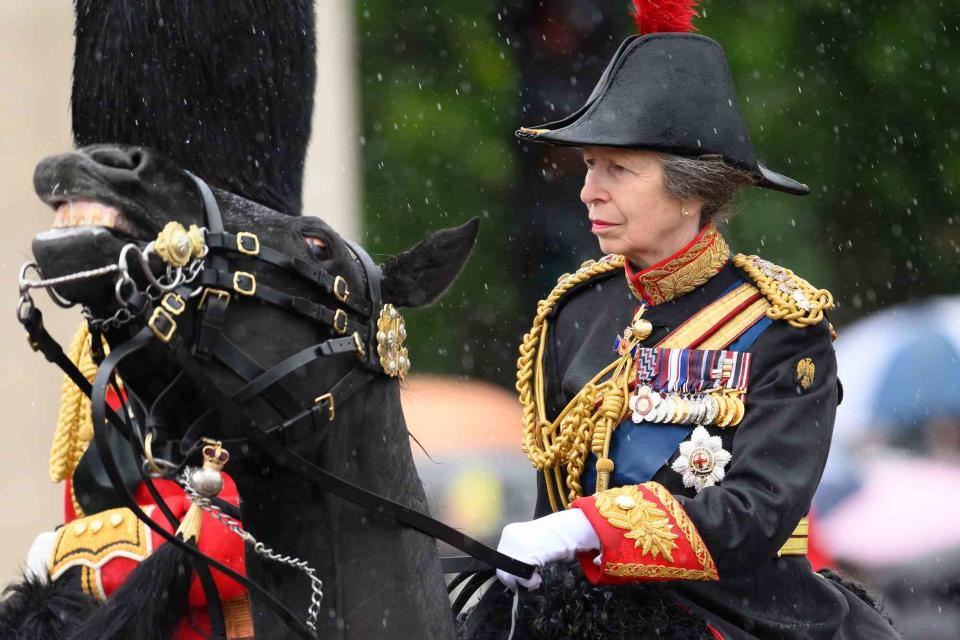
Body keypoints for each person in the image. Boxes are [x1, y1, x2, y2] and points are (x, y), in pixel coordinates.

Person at [494, 3, 901, 638]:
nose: (588, 191)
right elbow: (554, 495)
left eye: (618, 169)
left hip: (741, 617)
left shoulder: (781, 325)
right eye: (589, 167)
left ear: (691, 192)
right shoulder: (574, 311)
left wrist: (588, 527)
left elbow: (758, 512)